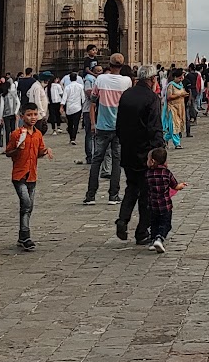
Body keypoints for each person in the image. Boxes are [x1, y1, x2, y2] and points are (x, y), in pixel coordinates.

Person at [114, 66, 164, 247]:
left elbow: (119, 125)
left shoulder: (126, 95)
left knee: (131, 187)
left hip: (128, 150)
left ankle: (122, 220)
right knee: (147, 193)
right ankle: (142, 231)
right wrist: (159, 151)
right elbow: (154, 127)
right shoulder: (152, 98)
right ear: (151, 80)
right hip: (146, 153)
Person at [84, 56, 131, 204]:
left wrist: (93, 122)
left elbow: (93, 100)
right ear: (122, 66)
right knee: (117, 161)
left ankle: (91, 195)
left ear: (109, 65)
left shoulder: (101, 79)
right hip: (120, 127)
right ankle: (113, 195)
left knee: (97, 160)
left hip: (102, 126)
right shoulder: (126, 82)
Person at [4, 102, 51, 251]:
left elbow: (39, 152)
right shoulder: (17, 134)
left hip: (32, 175)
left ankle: (22, 236)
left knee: (28, 206)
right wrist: (18, 149)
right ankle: (26, 235)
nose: (32, 117)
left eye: (35, 114)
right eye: (29, 114)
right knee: (26, 203)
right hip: (19, 175)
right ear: (22, 116)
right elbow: (8, 152)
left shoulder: (37, 134)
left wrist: (46, 151)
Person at [143, 146, 184, 253]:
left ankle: (153, 240)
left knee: (154, 223)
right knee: (166, 223)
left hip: (152, 205)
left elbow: (145, 187)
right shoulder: (167, 173)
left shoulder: (148, 174)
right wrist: (181, 185)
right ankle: (159, 238)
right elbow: (175, 186)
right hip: (165, 205)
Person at [60, 69, 86, 148]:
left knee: (70, 123)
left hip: (69, 107)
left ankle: (71, 136)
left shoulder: (67, 87)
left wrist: (61, 106)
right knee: (76, 123)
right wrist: (83, 105)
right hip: (77, 107)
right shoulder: (80, 86)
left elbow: (64, 98)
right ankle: (73, 138)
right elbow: (83, 97)